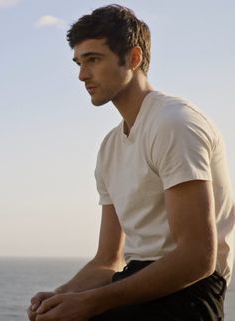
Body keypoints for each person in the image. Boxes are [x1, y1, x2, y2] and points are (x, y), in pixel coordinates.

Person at [27, 4, 235, 321]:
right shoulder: (110, 147)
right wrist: (61, 295)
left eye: (93, 60)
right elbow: (107, 260)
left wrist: (91, 302)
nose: (82, 75)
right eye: (79, 63)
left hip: (190, 293)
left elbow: (196, 258)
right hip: (135, 280)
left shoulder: (174, 123)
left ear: (134, 59)